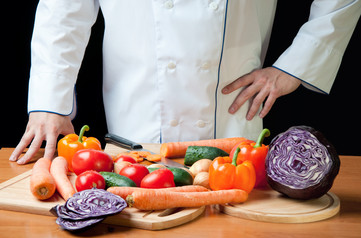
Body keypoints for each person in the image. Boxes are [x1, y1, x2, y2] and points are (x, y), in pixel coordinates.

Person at [9, 0, 361, 164]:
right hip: (135, 134)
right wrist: (49, 101)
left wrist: (295, 66)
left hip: (234, 139)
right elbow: (63, 9)